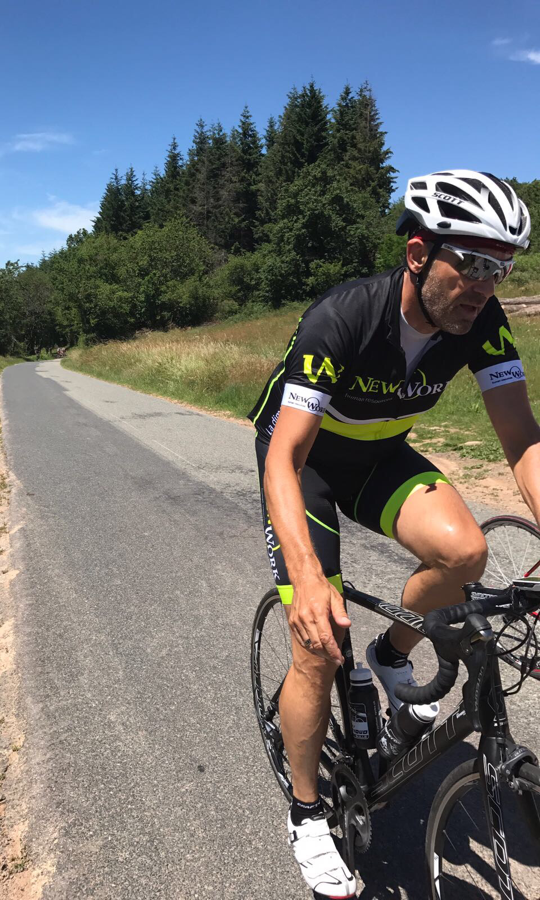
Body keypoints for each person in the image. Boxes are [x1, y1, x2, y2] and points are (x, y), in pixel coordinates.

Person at [249, 170, 535, 898]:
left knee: (464, 552)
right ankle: (306, 814)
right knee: (318, 644)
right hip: (307, 464)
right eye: (470, 263)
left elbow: (521, 439)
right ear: (417, 254)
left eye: (500, 268)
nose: (484, 286)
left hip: (378, 456)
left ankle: (390, 652)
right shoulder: (342, 318)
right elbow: (283, 456)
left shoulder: (482, 321)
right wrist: (307, 579)